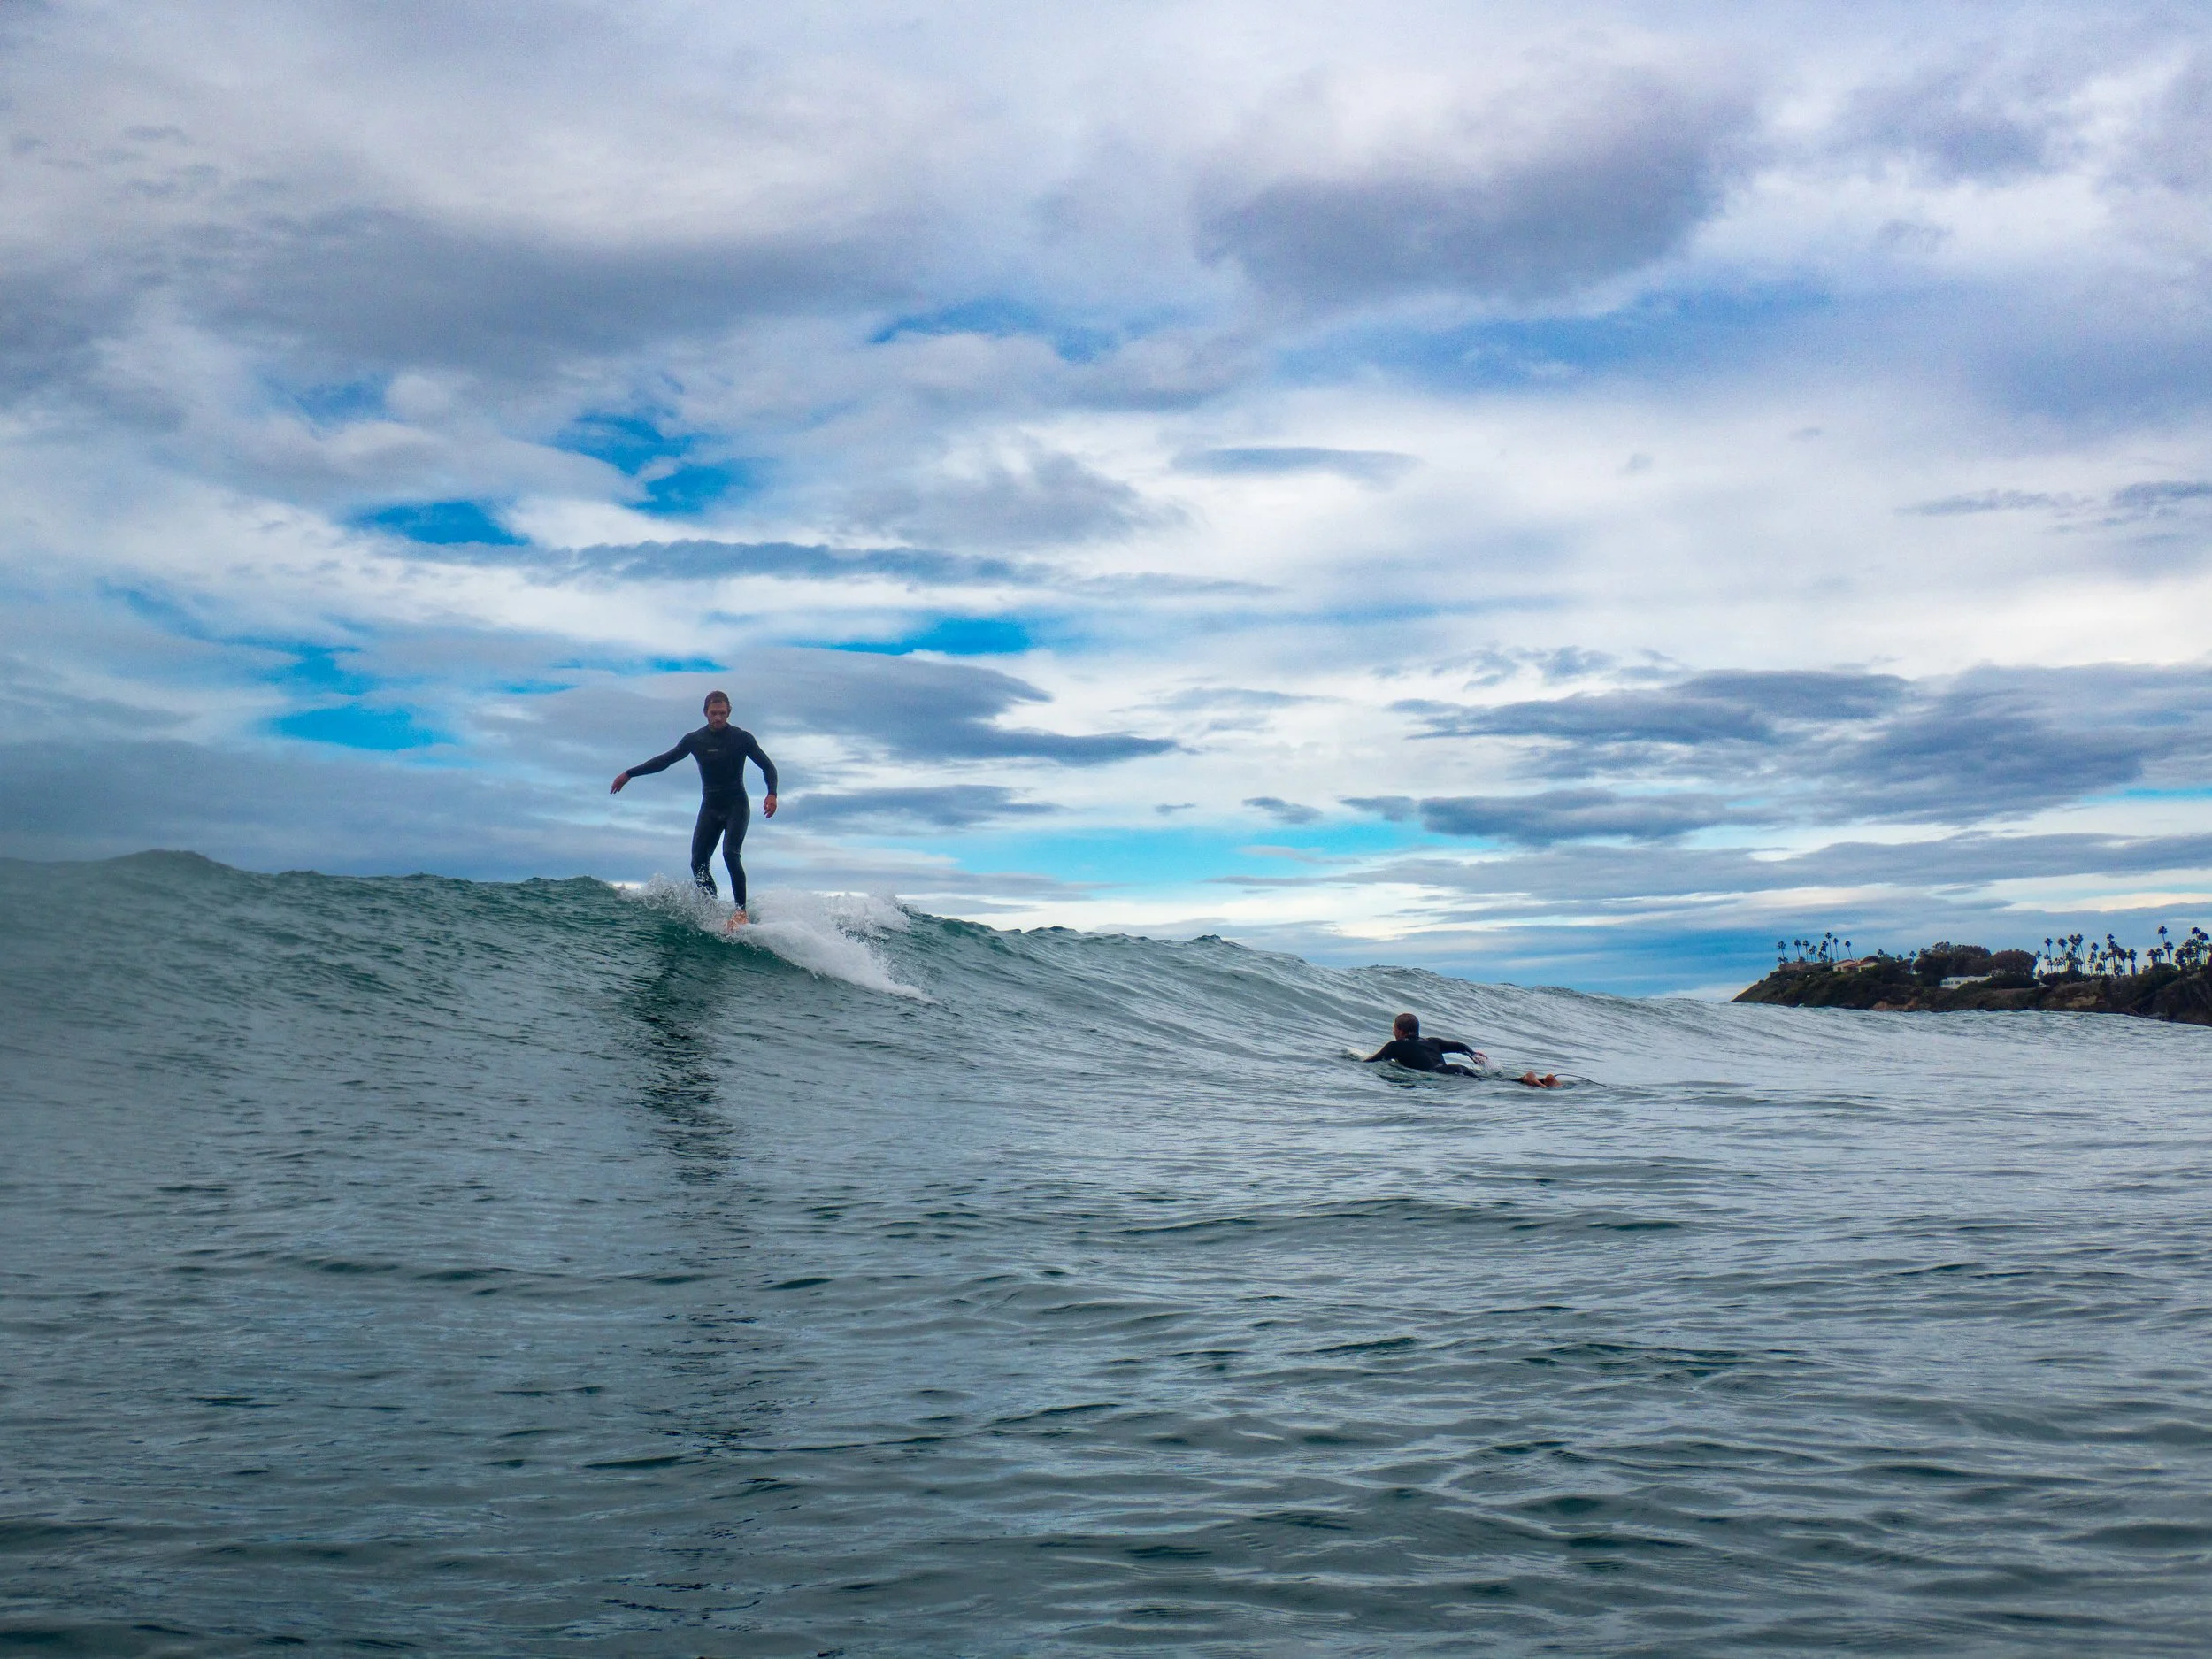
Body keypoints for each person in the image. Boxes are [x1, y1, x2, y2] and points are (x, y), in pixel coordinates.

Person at [611, 690, 778, 929]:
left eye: (722, 713)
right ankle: (712, 911)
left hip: (736, 806)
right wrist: (629, 773)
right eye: (713, 713)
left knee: (730, 854)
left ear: (729, 712)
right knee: (698, 863)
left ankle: (741, 912)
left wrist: (772, 793)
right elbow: (665, 760)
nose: (718, 718)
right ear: (705, 714)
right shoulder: (695, 740)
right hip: (710, 807)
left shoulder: (742, 739)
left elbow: (768, 766)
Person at [1364, 1013, 1561, 1087]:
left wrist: (1349, 1059)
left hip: (1442, 1075)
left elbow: (1373, 1062)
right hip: (1456, 1068)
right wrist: (1473, 1055)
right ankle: (1542, 1080)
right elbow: (1459, 1046)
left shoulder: (1394, 1046)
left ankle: (1532, 1080)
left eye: (1393, 1029)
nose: (1393, 1032)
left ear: (1399, 1030)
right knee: (1495, 1082)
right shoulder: (1432, 1041)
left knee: (1493, 1084)